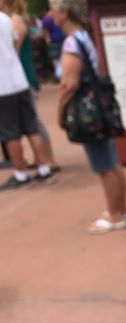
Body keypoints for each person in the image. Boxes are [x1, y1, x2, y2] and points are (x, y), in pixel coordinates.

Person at [51, 0, 126, 233]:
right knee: (112, 161)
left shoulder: (71, 43)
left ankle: (115, 214)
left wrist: (61, 111)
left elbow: (69, 84)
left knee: (103, 165)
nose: (51, 15)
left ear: (63, 13)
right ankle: (121, 208)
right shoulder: (84, 36)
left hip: (87, 112)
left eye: (53, 10)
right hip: (99, 107)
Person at [0, 0, 54, 191]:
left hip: (3, 86)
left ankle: (20, 174)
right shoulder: (6, 19)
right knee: (31, 128)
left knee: (10, 133)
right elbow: (14, 44)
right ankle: (44, 168)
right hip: (19, 80)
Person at [9, 0, 60, 173]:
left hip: (23, 75)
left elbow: (13, 50)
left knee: (33, 121)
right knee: (31, 121)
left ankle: (48, 159)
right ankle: (42, 158)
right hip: (22, 74)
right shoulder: (15, 19)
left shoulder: (15, 20)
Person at [41, 7, 64, 77]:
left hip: (53, 41)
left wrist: (48, 43)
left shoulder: (46, 19)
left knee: (55, 62)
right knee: (62, 59)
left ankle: (59, 76)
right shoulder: (58, 16)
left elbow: (46, 32)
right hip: (61, 40)